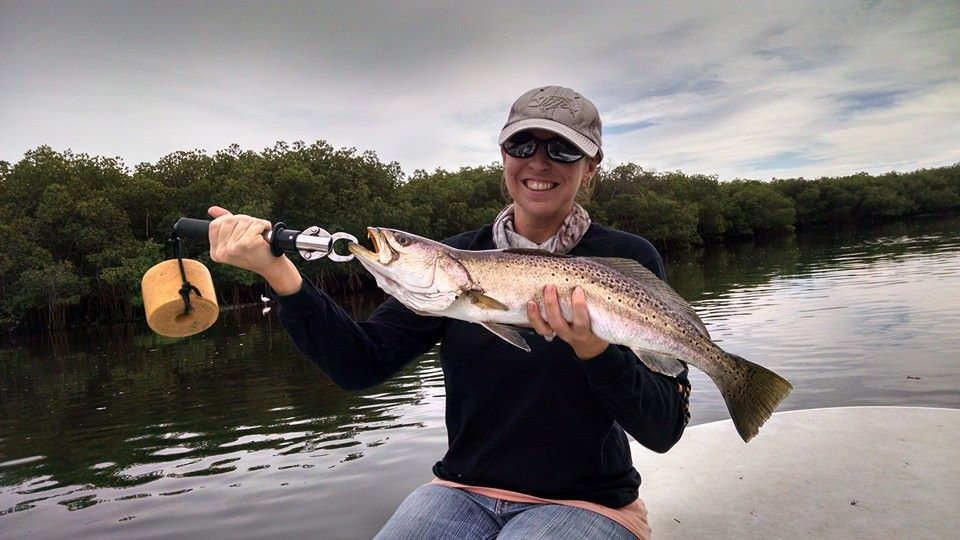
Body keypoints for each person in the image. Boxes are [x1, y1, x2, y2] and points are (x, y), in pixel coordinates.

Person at [207, 85, 690, 540]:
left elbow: (663, 428)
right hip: (462, 492)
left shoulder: (624, 261)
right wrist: (280, 276)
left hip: (586, 502)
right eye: (522, 145)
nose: (538, 162)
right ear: (503, 156)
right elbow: (360, 364)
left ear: (591, 166)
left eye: (562, 150)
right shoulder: (453, 266)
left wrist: (594, 349)